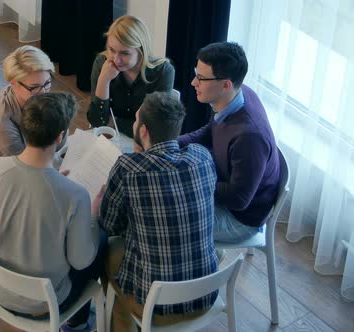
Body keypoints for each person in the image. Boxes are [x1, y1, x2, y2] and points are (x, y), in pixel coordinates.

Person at [0, 92, 105, 332]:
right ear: (60, 137)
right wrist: (92, 215)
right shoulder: (75, 195)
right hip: (45, 304)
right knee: (99, 239)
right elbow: (80, 262)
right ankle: (77, 325)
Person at [98, 92, 219, 331]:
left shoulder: (128, 169)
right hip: (206, 294)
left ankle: (120, 322)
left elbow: (109, 224)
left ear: (143, 131)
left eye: (136, 121)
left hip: (156, 306)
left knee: (106, 251)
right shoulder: (202, 156)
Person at [177, 42, 280, 244]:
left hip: (240, 218)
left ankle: (208, 261)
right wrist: (168, 143)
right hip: (226, 182)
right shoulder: (237, 96)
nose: (193, 83)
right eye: (196, 74)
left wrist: (193, 180)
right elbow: (209, 132)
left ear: (226, 85)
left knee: (169, 221)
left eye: (201, 78)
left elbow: (238, 199)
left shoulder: (250, 138)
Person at [0, 45, 59, 225]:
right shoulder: (2, 126)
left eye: (47, 83)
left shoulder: (25, 96)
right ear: (13, 83)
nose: (43, 93)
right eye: (34, 87)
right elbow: (31, 170)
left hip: (18, 168)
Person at [86, 15, 175, 137]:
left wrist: (115, 122)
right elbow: (97, 122)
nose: (116, 60)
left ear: (141, 50)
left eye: (125, 53)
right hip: (111, 139)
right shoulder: (102, 62)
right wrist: (104, 80)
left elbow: (155, 128)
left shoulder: (163, 71)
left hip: (143, 143)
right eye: (111, 49)